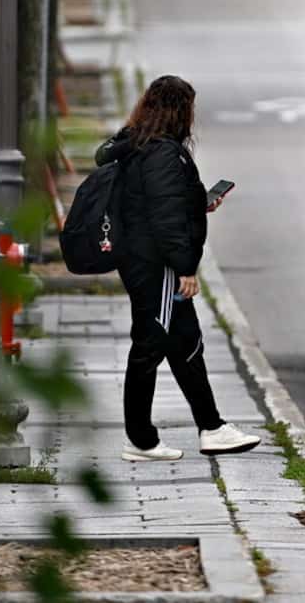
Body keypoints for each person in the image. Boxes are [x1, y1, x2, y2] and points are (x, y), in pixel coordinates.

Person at [95, 75, 260, 461]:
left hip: (146, 259)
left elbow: (159, 202)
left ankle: (212, 427)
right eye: (190, 108)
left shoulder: (138, 144)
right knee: (149, 346)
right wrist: (185, 268)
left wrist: (198, 202)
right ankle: (140, 440)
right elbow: (166, 218)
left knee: (186, 343)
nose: (193, 117)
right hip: (158, 265)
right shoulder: (164, 154)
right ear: (178, 110)